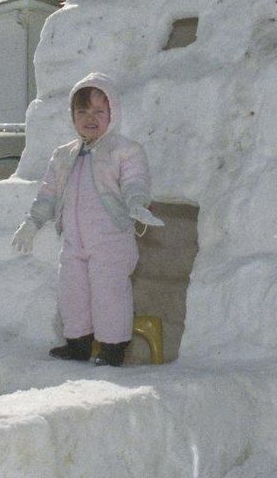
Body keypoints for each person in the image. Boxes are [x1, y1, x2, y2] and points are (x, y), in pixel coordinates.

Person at [11, 73, 163, 366]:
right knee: (73, 294)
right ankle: (78, 344)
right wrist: (32, 222)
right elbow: (48, 194)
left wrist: (136, 203)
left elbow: (135, 182)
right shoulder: (63, 155)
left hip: (111, 241)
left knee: (109, 295)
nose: (90, 118)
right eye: (82, 111)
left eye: (98, 112)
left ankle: (111, 349)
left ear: (112, 114)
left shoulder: (124, 150)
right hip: (73, 242)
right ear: (72, 116)